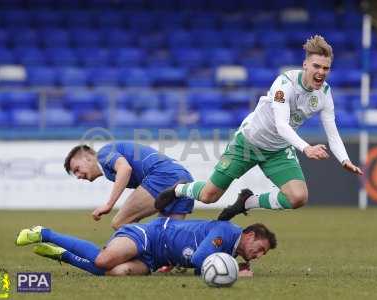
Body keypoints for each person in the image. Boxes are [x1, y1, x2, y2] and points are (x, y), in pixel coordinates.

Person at [155, 35, 363, 220]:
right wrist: (306, 148)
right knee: (209, 195)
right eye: (316, 66)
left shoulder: (324, 93)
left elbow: (332, 131)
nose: (321, 72)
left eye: (325, 68)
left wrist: (344, 159)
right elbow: (281, 124)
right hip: (249, 143)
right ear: (305, 65)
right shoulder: (284, 84)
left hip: (278, 150)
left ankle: (246, 202)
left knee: (298, 197)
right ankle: (179, 189)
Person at [15, 218, 276, 276]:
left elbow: (201, 273)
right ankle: (44, 233)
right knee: (104, 261)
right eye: (260, 247)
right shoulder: (227, 232)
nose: (259, 255)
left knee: (112, 273)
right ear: (249, 234)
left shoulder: (231, 251)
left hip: (154, 259)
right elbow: (198, 261)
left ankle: (62, 255)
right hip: (149, 235)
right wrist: (234, 272)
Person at [64, 142, 194, 230]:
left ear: (88, 157)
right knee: (166, 232)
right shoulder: (109, 172)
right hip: (183, 177)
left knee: (120, 223)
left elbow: (125, 169)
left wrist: (109, 205)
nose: (78, 176)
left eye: (77, 169)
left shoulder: (102, 154)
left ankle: (140, 256)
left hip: (163, 176)